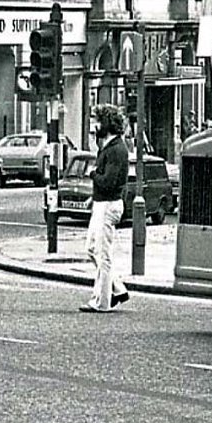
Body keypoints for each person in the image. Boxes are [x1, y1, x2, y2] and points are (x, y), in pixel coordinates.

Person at [81, 103, 130, 313]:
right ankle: (118, 289)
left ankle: (101, 302)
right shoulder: (108, 147)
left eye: (97, 122)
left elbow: (109, 182)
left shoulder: (117, 150)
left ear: (107, 124)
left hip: (108, 206)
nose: (94, 126)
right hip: (102, 203)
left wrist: (92, 174)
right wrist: (93, 198)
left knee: (103, 255)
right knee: (91, 249)